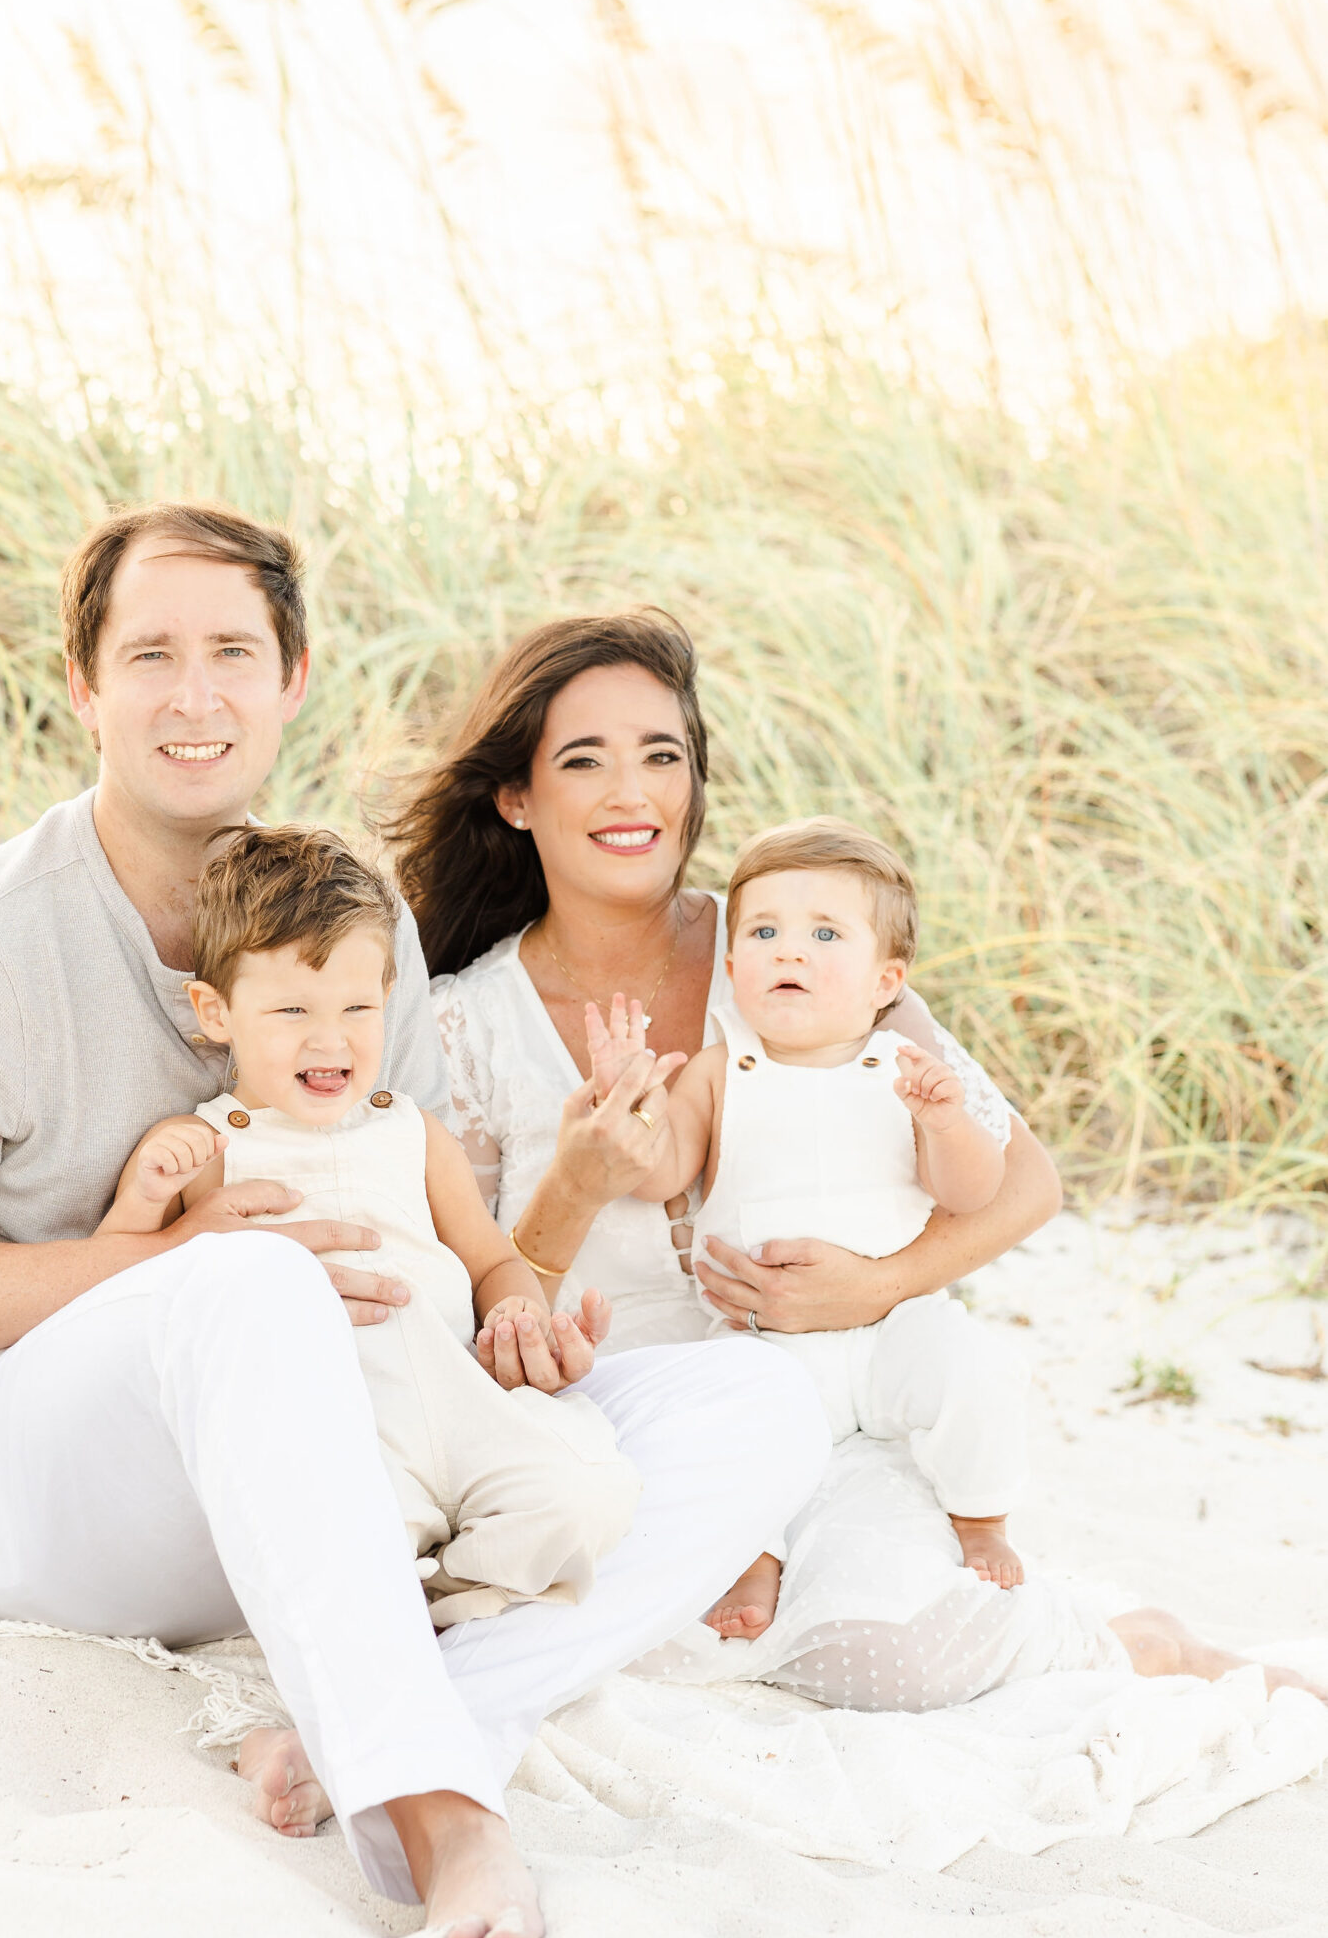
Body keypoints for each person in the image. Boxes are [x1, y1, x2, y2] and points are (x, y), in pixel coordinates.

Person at [0, 503, 831, 1938]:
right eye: (149, 654)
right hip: (32, 1490)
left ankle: (413, 1712)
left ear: (292, 678)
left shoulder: (351, 924)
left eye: (230, 653)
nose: (193, 694)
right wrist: (163, 1268)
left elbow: (410, 1217)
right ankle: (440, 1814)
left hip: (335, 1473)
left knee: (760, 1401)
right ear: (84, 687)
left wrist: (510, 1307)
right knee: (252, 1284)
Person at [394, 606, 1327, 1713]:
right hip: (625, 1424)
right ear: (515, 795)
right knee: (608, 1662)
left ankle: (1143, 1642)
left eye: (663, 755)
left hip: (838, 1406)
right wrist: (578, 1183)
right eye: (583, 760)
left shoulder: (794, 943)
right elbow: (469, 1319)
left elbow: (1024, 1181)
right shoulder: (463, 1023)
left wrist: (875, 1285)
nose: (631, 793)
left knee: (892, 1659)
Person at [97, 821, 640, 1626]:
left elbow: (491, 1259)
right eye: (290, 1009)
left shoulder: (415, 1133)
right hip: (344, 1427)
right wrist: (145, 1195)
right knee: (337, 1543)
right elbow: (113, 1287)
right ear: (215, 1012)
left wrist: (520, 1311)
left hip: (464, 1394)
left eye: (357, 1006)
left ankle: (447, 1593)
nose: (331, 1038)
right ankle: (396, 1603)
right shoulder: (209, 1147)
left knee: (586, 1497)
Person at [603, 814, 1028, 1646]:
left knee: (974, 1366)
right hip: (767, 1342)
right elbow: (660, 1176)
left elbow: (971, 1193)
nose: (788, 951)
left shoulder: (902, 1071)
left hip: (892, 1326)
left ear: (885, 981)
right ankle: (752, 1557)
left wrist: (945, 1127)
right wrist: (633, 1103)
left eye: (824, 933)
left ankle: (980, 1517)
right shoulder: (722, 1066)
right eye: (763, 931)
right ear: (732, 970)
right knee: (727, 1434)